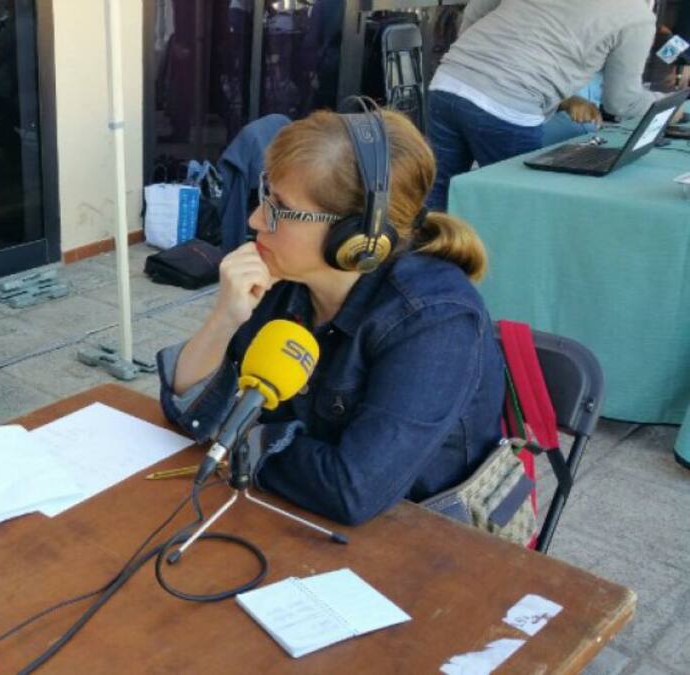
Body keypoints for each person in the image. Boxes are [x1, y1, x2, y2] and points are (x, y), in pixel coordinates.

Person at [157, 108, 505, 526]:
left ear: (356, 237)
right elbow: (192, 415)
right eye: (265, 196)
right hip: (293, 510)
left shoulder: (435, 321)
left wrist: (236, 435)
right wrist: (224, 319)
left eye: (280, 208)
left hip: (419, 534)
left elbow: (352, 490)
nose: (255, 219)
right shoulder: (285, 279)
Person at [426, 0, 668, 210]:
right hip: (509, 105)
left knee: (438, 189)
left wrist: (473, 60)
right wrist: (667, 106)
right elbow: (621, 102)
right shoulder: (636, 16)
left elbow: (476, 9)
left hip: (449, 81)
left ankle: (422, 249)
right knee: (517, 205)